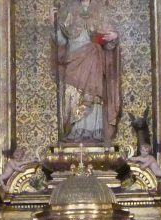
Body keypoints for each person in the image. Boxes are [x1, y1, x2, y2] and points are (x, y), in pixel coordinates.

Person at [55, 0, 120, 144]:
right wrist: (53, 24)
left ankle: (93, 130)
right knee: (73, 92)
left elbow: (109, 41)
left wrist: (113, 37)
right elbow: (60, 40)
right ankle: (74, 130)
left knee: (94, 93)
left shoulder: (100, 11)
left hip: (94, 57)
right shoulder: (68, 10)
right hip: (73, 57)